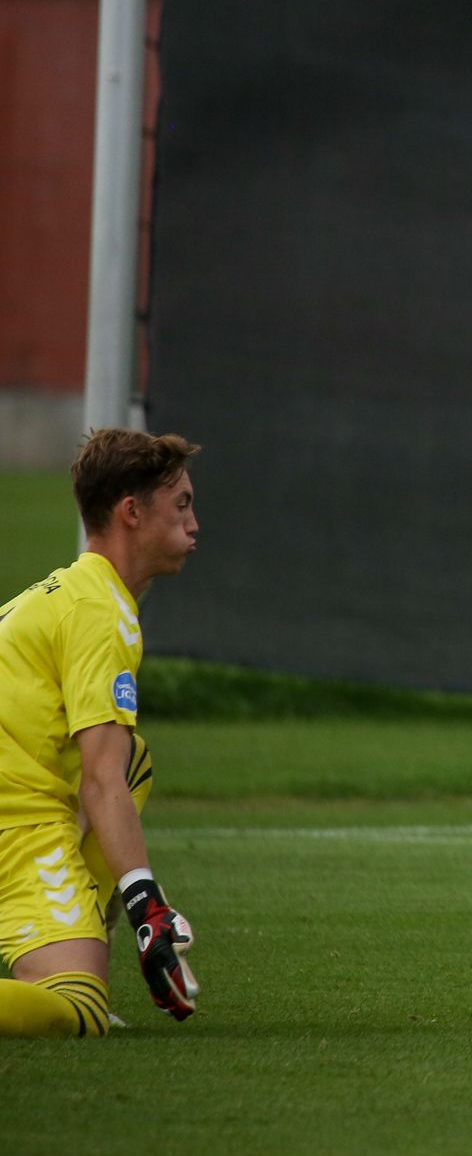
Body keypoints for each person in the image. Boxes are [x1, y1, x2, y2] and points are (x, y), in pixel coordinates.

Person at [0, 428, 203, 1038]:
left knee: (133, 757)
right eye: (183, 505)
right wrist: (149, 906)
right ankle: (66, 955)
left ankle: (71, 932)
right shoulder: (99, 613)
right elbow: (98, 779)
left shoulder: (69, 595)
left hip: (21, 810)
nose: (195, 524)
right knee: (77, 1011)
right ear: (131, 513)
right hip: (16, 824)